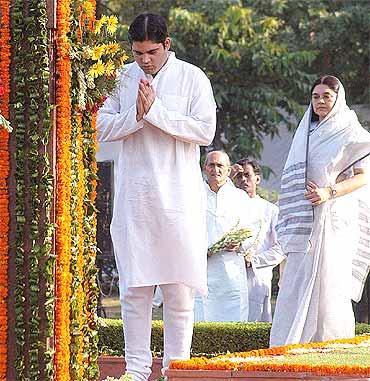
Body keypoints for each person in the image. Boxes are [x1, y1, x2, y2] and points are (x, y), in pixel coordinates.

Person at [96, 12, 216, 381]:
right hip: (136, 197)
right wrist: (136, 115)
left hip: (179, 198)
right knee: (135, 290)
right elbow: (100, 125)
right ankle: (135, 371)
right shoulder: (122, 77)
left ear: (167, 45)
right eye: (137, 52)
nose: (144, 60)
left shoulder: (193, 77)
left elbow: (205, 131)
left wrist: (157, 112)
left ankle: (176, 369)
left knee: (179, 291)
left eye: (151, 51)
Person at [270, 75, 370, 347]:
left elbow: (363, 177)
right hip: (305, 221)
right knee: (295, 282)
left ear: (339, 99)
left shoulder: (352, 132)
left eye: (327, 96)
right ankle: (288, 346)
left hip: (334, 220)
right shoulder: (307, 133)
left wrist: (329, 192)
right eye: (316, 97)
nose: (320, 101)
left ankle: (330, 347)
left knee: (329, 286)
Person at [194, 151, 251, 322]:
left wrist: (241, 244)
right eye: (211, 165)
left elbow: (252, 229)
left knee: (233, 311)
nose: (215, 169)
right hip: (200, 266)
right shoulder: (194, 194)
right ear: (205, 168)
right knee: (200, 311)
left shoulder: (239, 197)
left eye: (220, 166)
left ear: (228, 170)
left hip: (230, 268)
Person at [231, 159, 285, 322]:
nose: (243, 180)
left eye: (247, 175)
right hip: (228, 274)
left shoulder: (270, 210)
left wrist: (254, 260)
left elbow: (281, 247)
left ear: (257, 179)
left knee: (255, 323)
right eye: (238, 176)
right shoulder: (227, 207)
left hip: (257, 276)